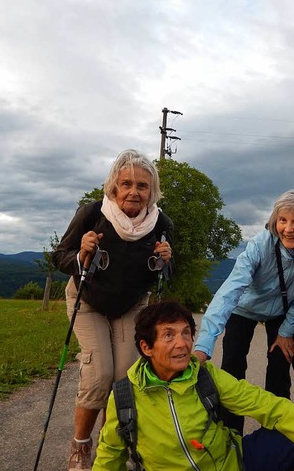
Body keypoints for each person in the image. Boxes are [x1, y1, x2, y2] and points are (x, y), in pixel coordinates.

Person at [93, 301, 294, 471]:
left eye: (186, 333)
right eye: (169, 335)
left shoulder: (205, 376)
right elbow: (109, 457)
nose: (183, 344)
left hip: (233, 462)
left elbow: (272, 407)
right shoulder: (125, 395)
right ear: (146, 347)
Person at [53, 149, 174, 471]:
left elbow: (164, 273)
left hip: (131, 304)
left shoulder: (161, 222)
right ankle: (80, 446)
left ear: (152, 191)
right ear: (114, 187)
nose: (134, 191)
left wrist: (165, 260)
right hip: (87, 300)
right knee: (99, 373)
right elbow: (60, 256)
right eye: (127, 183)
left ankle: (112, 446)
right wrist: (81, 254)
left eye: (142, 186)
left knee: (124, 378)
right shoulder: (92, 213)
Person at [194, 190, 294, 435]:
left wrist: (286, 332)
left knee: (279, 369)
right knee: (232, 367)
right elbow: (230, 290)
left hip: (283, 312)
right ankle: (230, 437)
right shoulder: (260, 244)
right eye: (282, 220)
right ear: (275, 220)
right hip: (244, 307)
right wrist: (204, 345)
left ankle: (276, 437)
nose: (288, 228)